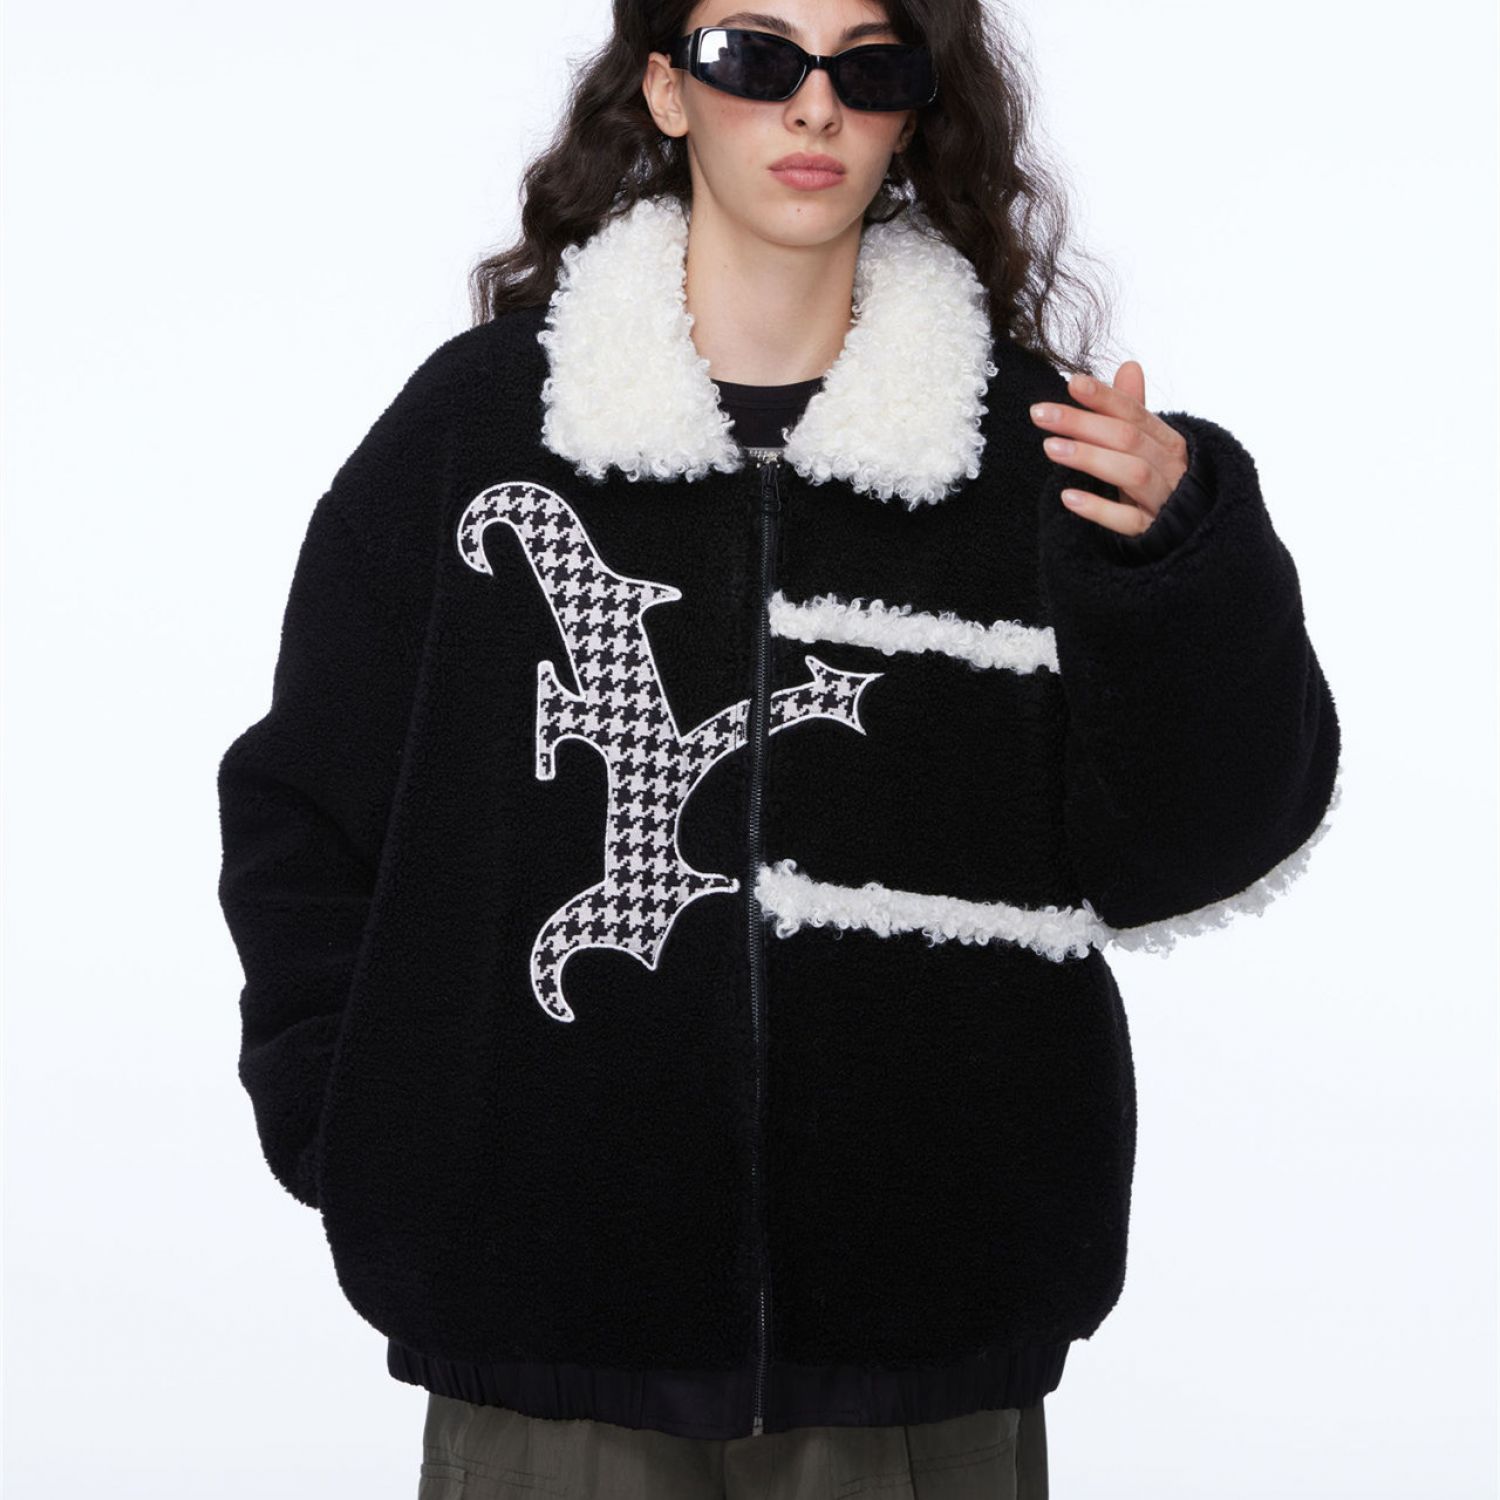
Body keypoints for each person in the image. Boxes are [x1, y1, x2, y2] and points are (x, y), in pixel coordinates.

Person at [214, 1, 1343, 1496]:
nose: (815, 107)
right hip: (543, 1331)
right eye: (756, 56)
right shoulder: (479, 429)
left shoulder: (1034, 454)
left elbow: (1189, 851)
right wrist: (354, 1126)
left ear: (913, 108)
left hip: (928, 1345)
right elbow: (305, 808)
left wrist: (1183, 565)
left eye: (867, 67)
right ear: (667, 90)